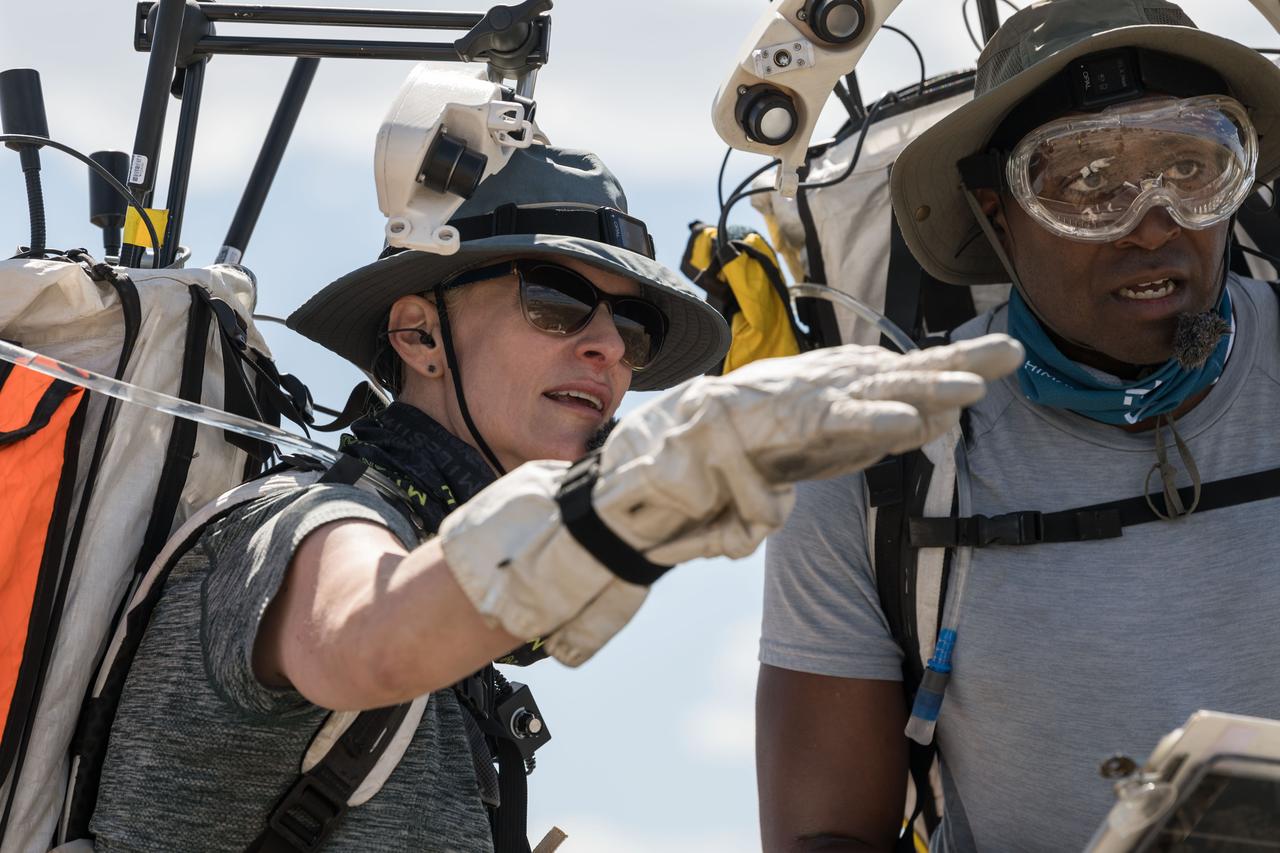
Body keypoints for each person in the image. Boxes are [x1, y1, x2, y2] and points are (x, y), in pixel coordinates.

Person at [83, 137, 1019, 853]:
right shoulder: (297, 524)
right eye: (556, 300)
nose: (607, 346)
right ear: (418, 335)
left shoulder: (460, 625)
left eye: (636, 323)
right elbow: (366, 636)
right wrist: (622, 506)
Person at [757, 1, 1280, 851]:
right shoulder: (870, 459)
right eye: (1083, 181)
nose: (1153, 223)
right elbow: (823, 834)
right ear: (995, 213)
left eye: (1191, 166)